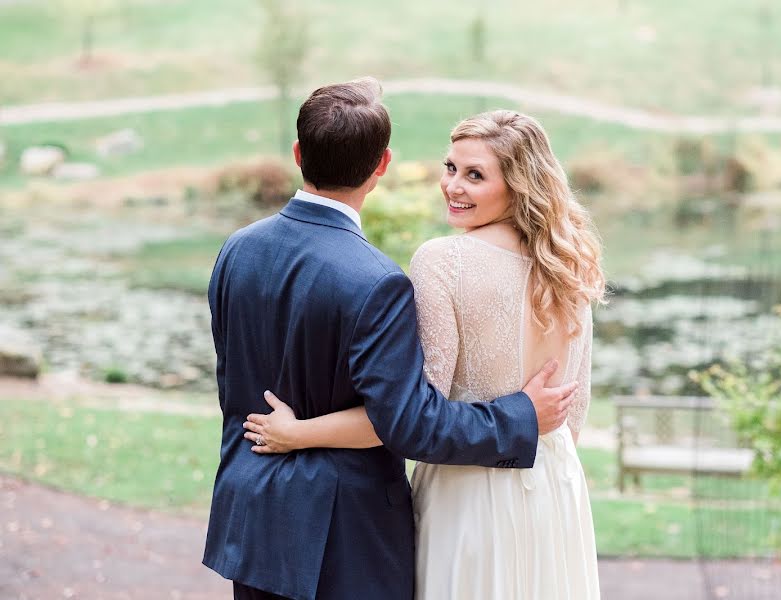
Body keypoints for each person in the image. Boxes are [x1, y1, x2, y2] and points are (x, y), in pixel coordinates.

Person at [202, 78, 579, 600]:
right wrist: (521, 417)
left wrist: (295, 433)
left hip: (254, 519)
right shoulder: (375, 280)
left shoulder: (236, 250)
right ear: (382, 165)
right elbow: (407, 422)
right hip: (345, 538)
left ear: (297, 153)